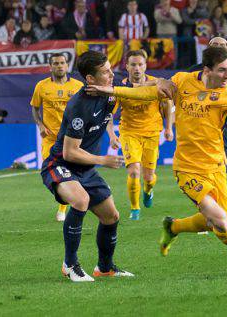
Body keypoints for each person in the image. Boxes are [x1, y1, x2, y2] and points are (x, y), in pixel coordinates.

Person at [87, 47, 227, 273]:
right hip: (187, 168)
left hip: (216, 165)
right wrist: (110, 90)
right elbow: (146, 94)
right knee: (219, 220)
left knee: (217, 220)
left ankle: (173, 226)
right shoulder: (183, 82)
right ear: (207, 70)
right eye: (222, 70)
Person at [40, 50, 134, 282]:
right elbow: (70, 152)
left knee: (111, 216)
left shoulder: (110, 95)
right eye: (105, 72)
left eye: (111, 69)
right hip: (60, 164)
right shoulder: (78, 105)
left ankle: (105, 267)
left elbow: (109, 114)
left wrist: (111, 134)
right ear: (90, 79)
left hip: (85, 169)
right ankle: (70, 264)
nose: (112, 74)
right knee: (80, 200)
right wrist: (104, 160)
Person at [107, 50, 174, 221]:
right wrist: (112, 135)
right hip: (129, 133)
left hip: (152, 133)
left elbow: (168, 105)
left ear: (145, 66)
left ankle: (148, 190)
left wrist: (168, 128)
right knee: (134, 171)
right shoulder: (120, 87)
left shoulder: (156, 84)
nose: (137, 68)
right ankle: (135, 209)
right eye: (133, 65)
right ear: (127, 66)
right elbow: (108, 114)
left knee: (149, 177)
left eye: (140, 64)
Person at [30, 53, 84, 222]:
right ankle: (67, 199)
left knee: (69, 172)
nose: (60, 66)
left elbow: (85, 110)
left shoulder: (78, 86)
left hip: (71, 139)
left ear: (67, 66)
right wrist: (40, 124)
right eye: (56, 63)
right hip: (51, 138)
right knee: (50, 172)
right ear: (50, 67)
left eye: (62, 63)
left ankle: (62, 209)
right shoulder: (42, 86)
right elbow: (35, 108)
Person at [188, 37, 227, 180]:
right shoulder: (192, 72)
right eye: (215, 45)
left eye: (222, 45)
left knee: (222, 176)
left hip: (221, 126)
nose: (218, 48)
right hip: (195, 126)